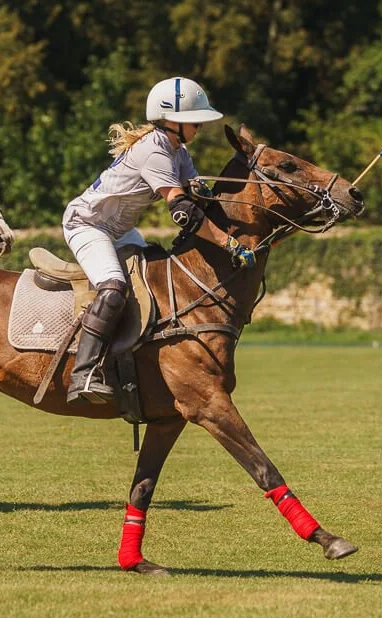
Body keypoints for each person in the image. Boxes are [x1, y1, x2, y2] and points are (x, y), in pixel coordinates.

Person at [61, 76, 254, 402]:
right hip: (88, 225)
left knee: (154, 271)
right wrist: (229, 244)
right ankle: (85, 373)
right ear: (173, 120)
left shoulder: (178, 151)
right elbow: (182, 212)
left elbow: (197, 198)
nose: (200, 127)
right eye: (195, 121)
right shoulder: (154, 150)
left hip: (120, 231)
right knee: (113, 289)